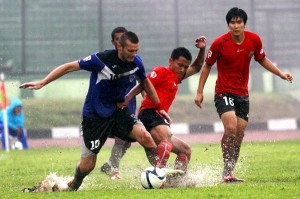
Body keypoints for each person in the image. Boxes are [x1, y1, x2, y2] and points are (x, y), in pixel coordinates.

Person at [19, 31, 171, 191]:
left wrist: (159, 107)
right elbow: (69, 67)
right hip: (96, 116)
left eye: (136, 51)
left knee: (145, 137)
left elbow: (145, 83)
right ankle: (74, 185)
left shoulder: (136, 62)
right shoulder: (101, 59)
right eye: (130, 51)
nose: (134, 54)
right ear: (119, 46)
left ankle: (160, 175)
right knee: (87, 166)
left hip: (118, 112)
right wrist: (43, 82)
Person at [194, 7, 293, 183]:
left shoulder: (254, 40)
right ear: (228, 25)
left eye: (239, 22)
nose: (236, 25)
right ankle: (226, 169)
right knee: (230, 128)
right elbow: (207, 65)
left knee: (239, 135)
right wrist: (200, 91)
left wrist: (280, 74)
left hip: (243, 94)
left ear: (244, 24)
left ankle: (230, 172)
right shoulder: (219, 43)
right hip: (223, 91)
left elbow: (262, 59)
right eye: (233, 22)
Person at [124, 36, 206, 172]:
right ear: (171, 61)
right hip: (149, 112)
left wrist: (202, 49)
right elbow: (144, 84)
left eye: (185, 67)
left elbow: (197, 67)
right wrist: (128, 98)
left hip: (159, 116)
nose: (182, 69)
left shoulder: (177, 77)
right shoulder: (162, 71)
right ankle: (158, 174)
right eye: (180, 65)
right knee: (166, 141)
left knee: (185, 150)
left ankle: (177, 182)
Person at [100, 27, 137, 180]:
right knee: (121, 139)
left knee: (129, 140)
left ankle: (109, 164)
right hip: (115, 104)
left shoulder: (133, 59)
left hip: (130, 101)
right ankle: (115, 170)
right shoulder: (107, 59)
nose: (120, 41)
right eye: (118, 39)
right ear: (114, 42)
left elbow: (142, 79)